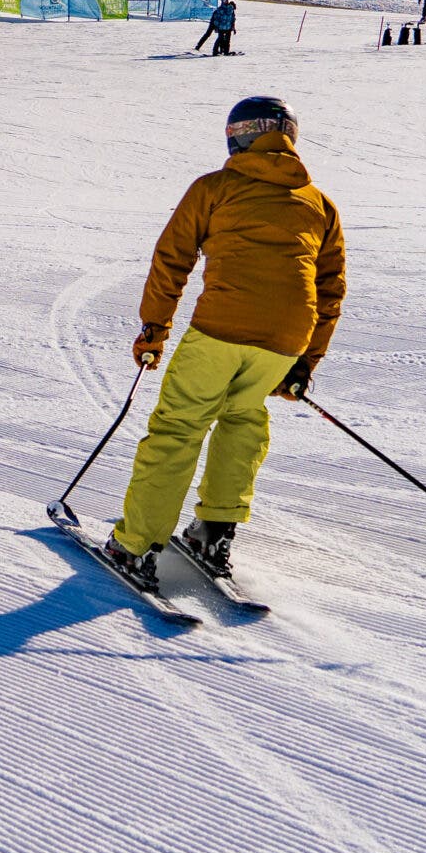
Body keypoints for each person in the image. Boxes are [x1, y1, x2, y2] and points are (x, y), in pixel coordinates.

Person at [104, 96, 346, 588]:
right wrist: (304, 364)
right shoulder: (320, 203)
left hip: (221, 327)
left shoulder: (214, 188)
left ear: (239, 136)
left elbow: (172, 258)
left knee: (179, 428)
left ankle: (136, 546)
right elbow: (330, 289)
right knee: (243, 419)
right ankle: (213, 534)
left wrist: (154, 329)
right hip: (285, 339)